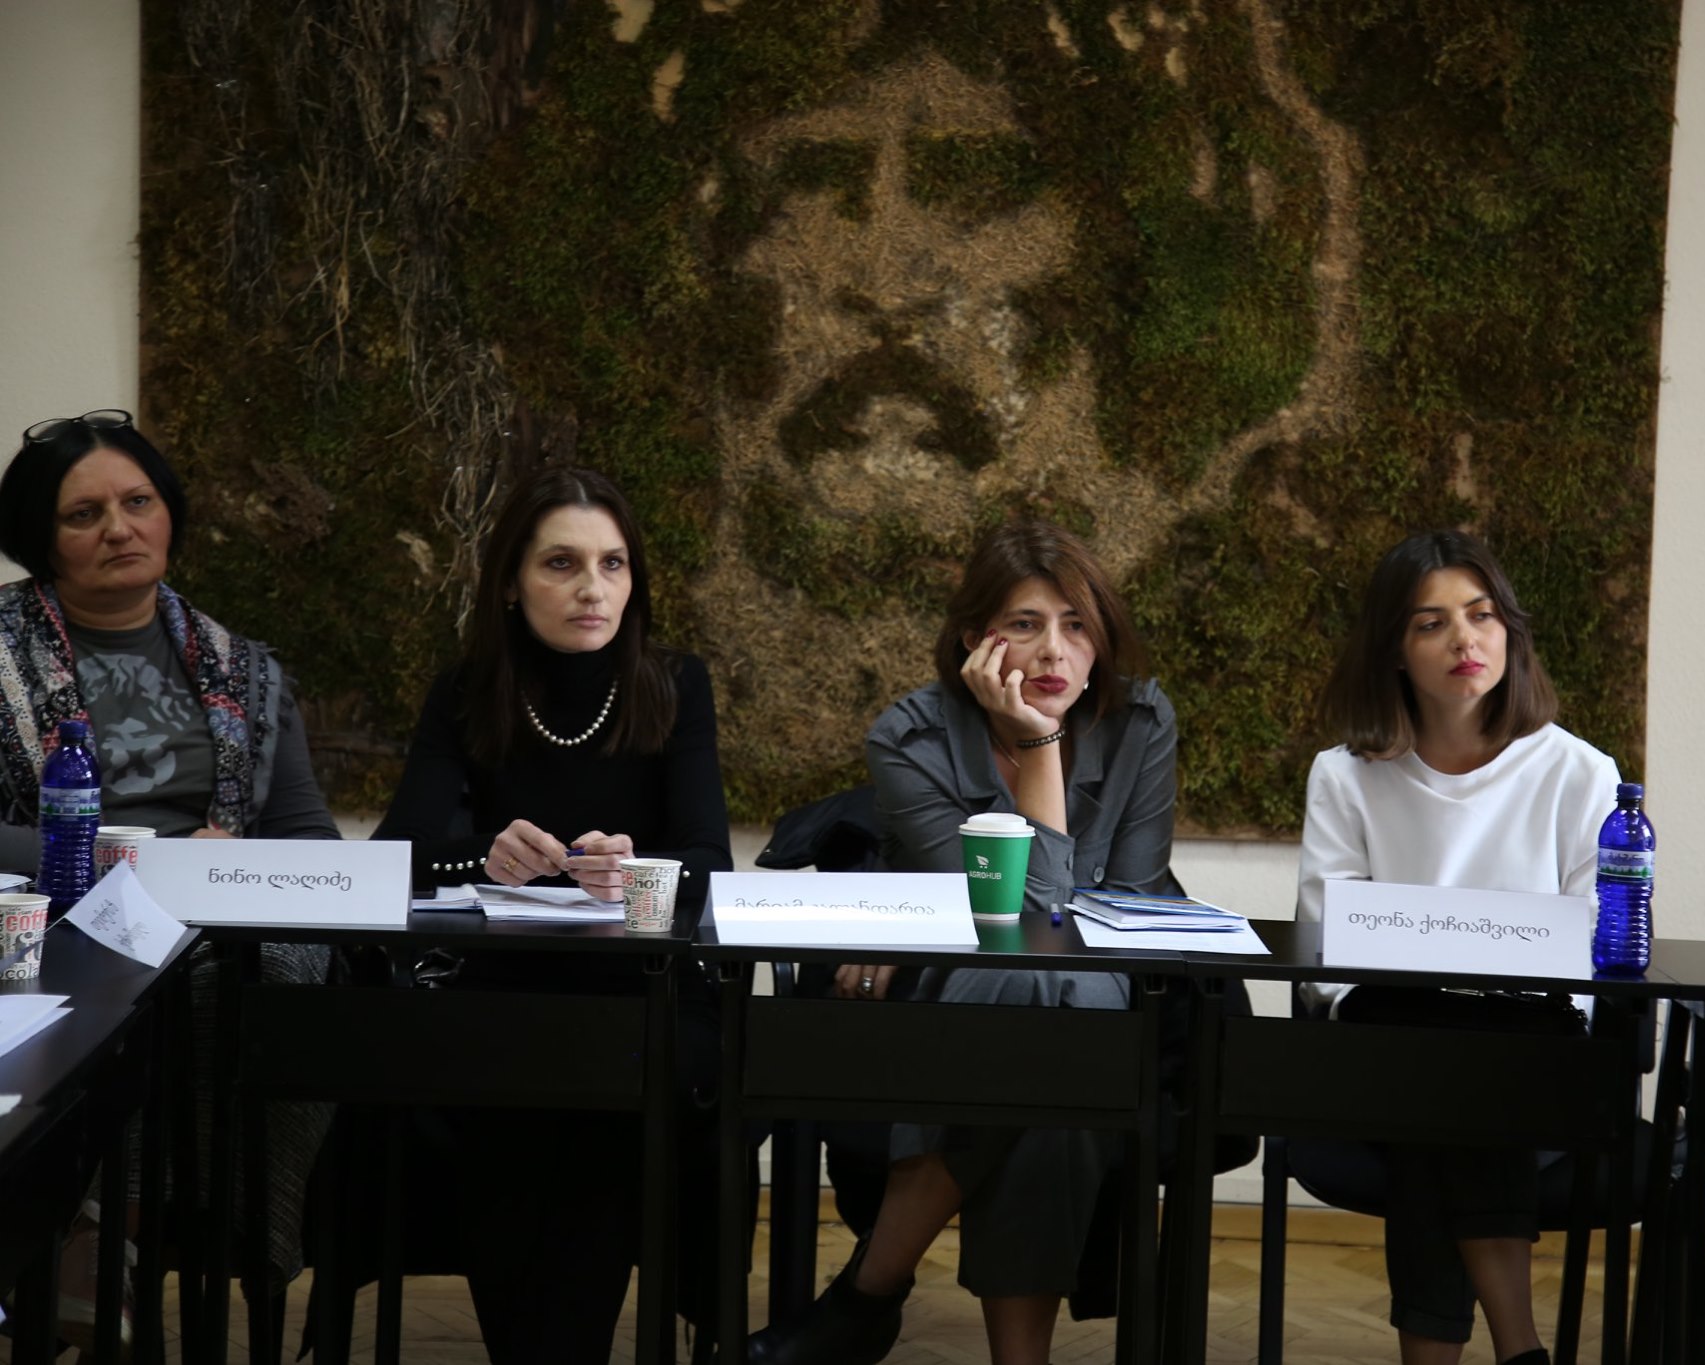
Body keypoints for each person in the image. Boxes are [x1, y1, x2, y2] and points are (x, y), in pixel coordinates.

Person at [748, 519, 1175, 1365]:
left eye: (1077, 624)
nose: (1054, 650)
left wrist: (1038, 741)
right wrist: (1040, 740)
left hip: (1098, 980)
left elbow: (1112, 908)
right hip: (953, 986)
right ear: (976, 637)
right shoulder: (908, 737)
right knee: (1043, 1006)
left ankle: (868, 1292)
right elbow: (1018, 919)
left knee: (1061, 1004)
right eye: (1024, 624)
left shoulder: (1142, 722)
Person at [373, 464, 733, 1364]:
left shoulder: (675, 684)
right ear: (511, 581)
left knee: (609, 1082)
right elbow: (397, 854)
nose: (593, 588)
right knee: (509, 1078)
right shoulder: (467, 690)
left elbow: (709, 865)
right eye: (562, 563)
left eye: (614, 564)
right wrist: (484, 855)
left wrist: (636, 870)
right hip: (499, 986)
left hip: (643, 991)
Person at [0, 408, 341, 1333]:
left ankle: (123, 1233)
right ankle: (92, 1242)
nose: (119, 527)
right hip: (40, 923)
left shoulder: (247, 670)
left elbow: (309, 840)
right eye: (84, 514)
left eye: (138, 502)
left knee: (287, 967)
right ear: (42, 538)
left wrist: (235, 870)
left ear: (169, 513)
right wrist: (133, 866)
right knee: (147, 975)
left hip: (212, 927)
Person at [1293, 529, 1620, 1365]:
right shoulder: (1345, 773)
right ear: (1394, 650)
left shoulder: (1581, 772)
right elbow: (1327, 955)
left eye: (1481, 615)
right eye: (1431, 623)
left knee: (1457, 1091)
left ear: (1510, 631)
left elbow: (1594, 954)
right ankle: (1521, 1346)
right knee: (1437, 1064)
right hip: (1390, 1043)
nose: (1464, 640)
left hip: (1532, 1049)